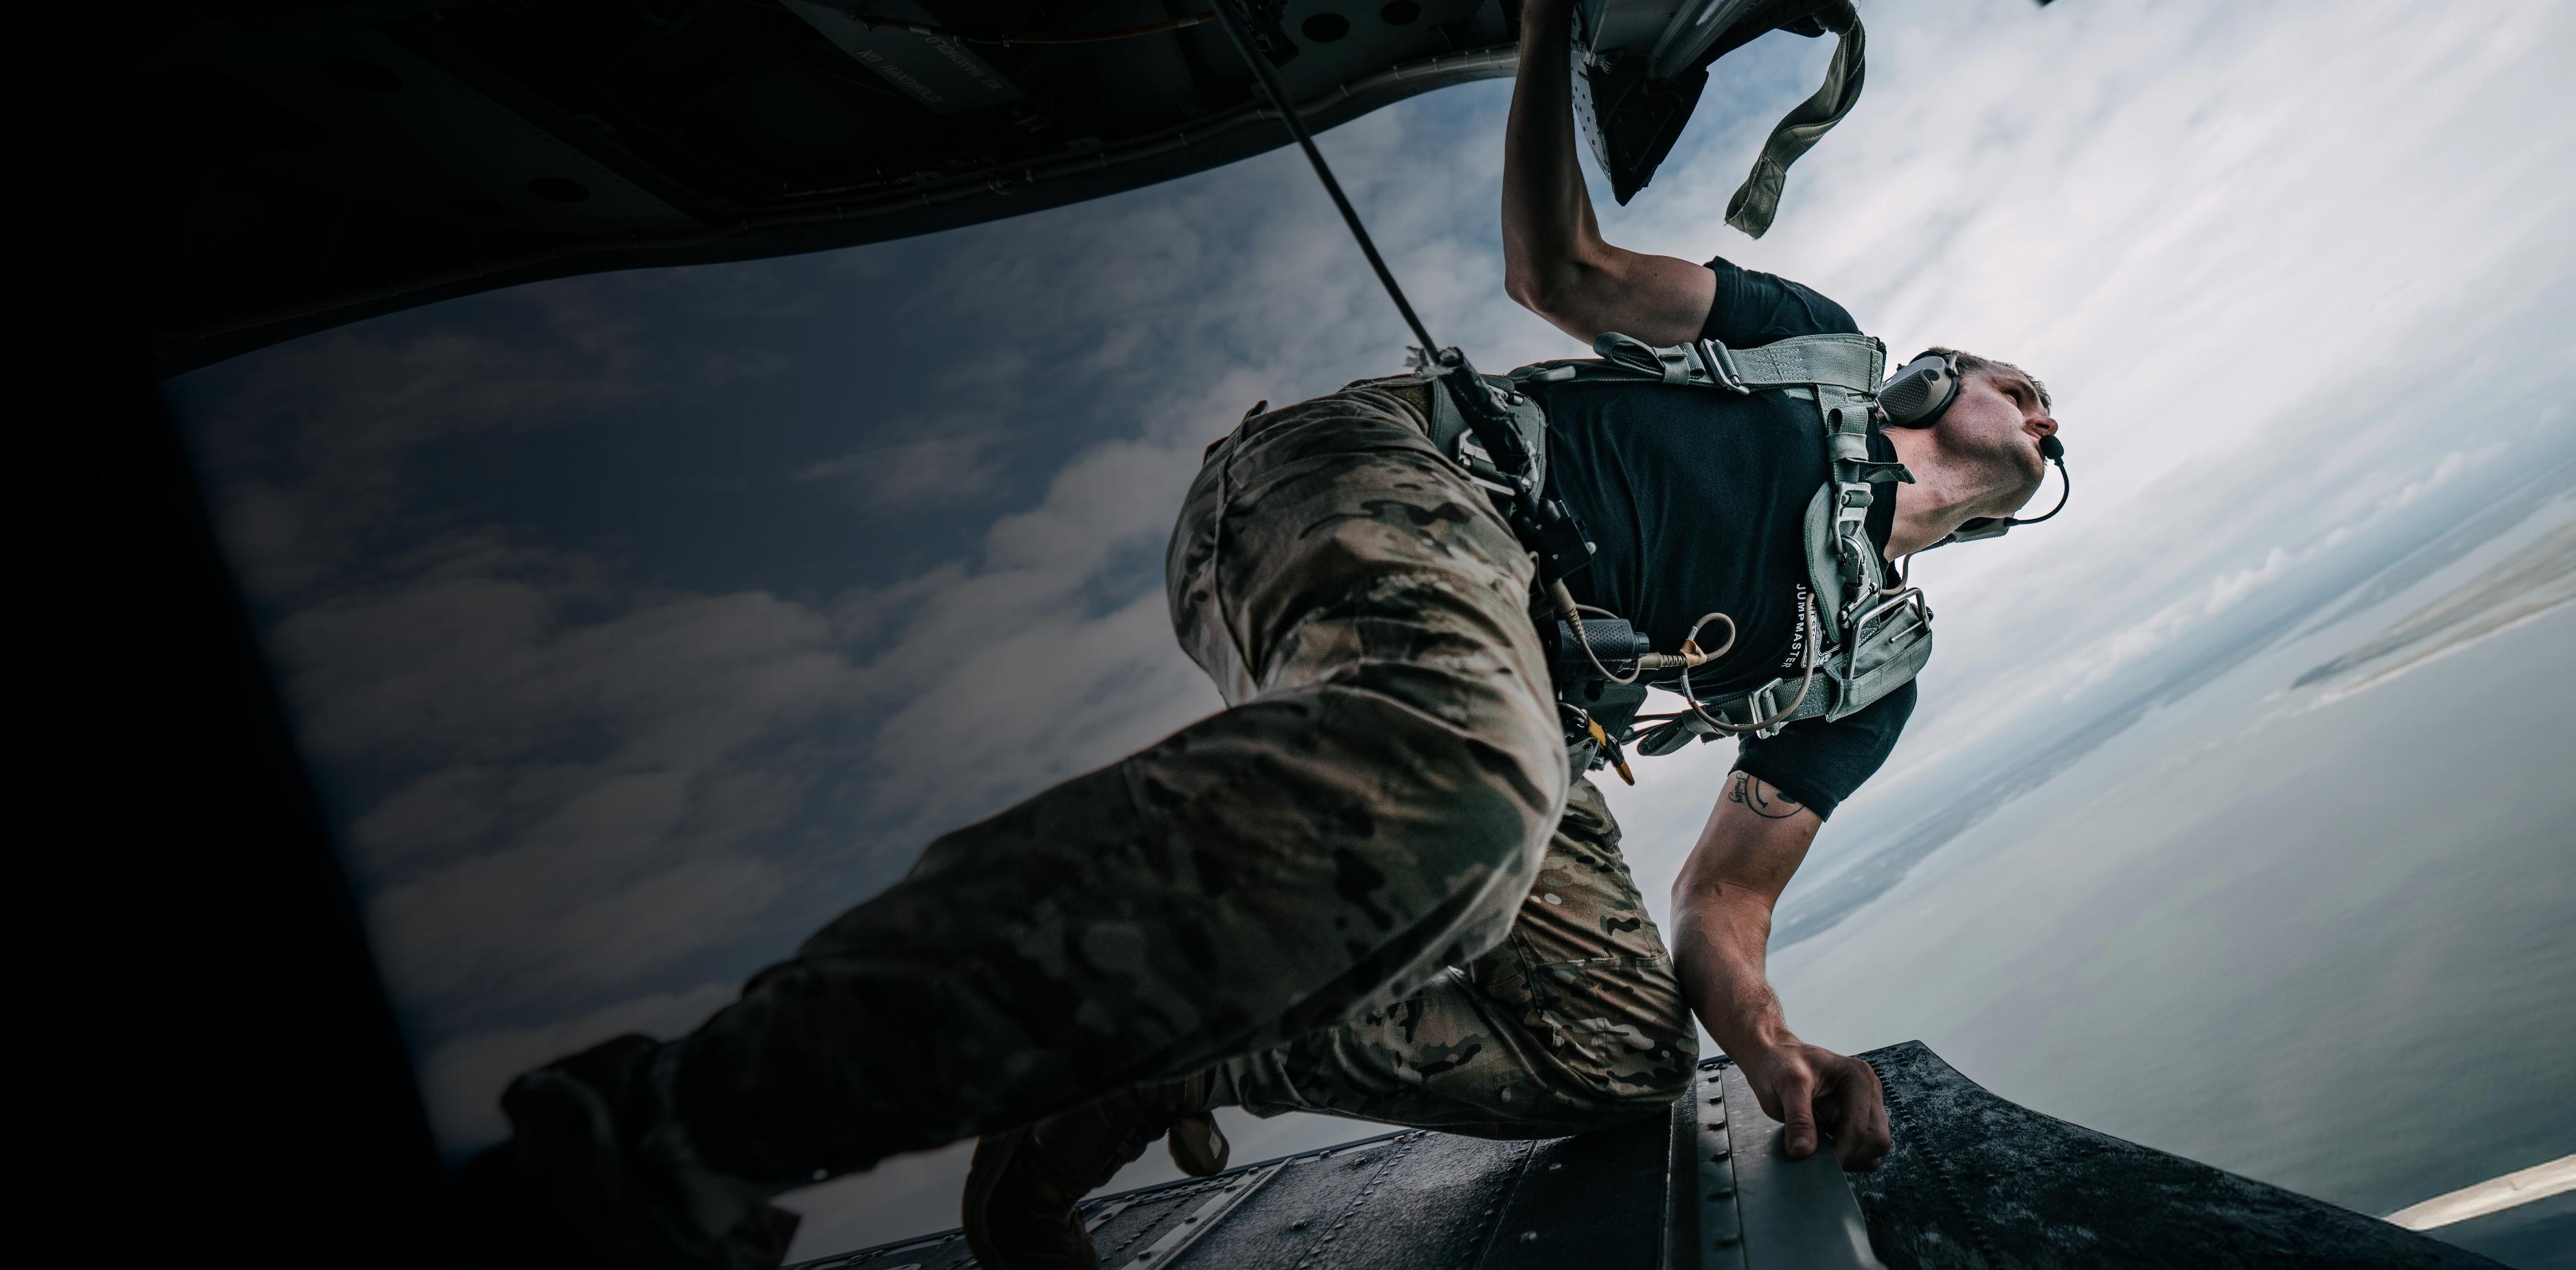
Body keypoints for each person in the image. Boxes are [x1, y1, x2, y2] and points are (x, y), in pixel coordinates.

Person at [461, 2, 2061, 1267]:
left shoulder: (1870, 672)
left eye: (2053, 426)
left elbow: (1722, 905)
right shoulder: (1810, 352)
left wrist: (1772, 1050)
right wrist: (1545, 27)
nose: (2039, 412)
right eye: (2021, 381)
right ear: (1937, 379)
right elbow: (1557, 268)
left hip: (1530, 710)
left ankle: (1176, 1056)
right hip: (1391, 476)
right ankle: (675, 1131)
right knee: (1470, 780)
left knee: (1614, 1060)